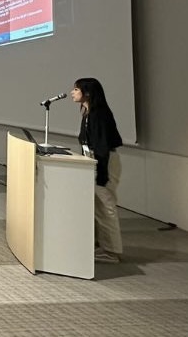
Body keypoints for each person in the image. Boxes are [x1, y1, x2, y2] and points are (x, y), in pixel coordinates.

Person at [71, 78, 125, 263]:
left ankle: (112, 251)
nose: (73, 92)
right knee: (98, 206)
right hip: (95, 161)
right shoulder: (88, 112)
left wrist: (101, 174)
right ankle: (103, 246)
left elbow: (102, 146)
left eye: (76, 89)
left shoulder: (99, 114)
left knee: (105, 205)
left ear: (87, 93)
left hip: (104, 162)